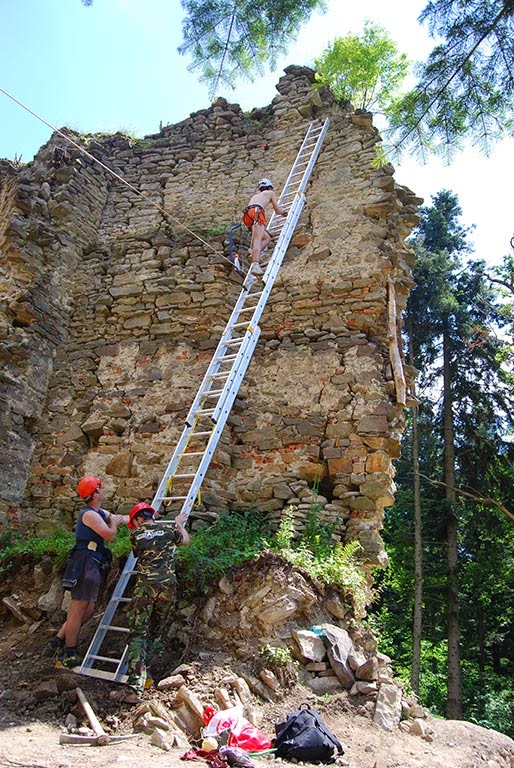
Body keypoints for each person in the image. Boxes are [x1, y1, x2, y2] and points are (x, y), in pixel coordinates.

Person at [43, 476, 129, 668]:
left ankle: (56, 642)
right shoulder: (90, 515)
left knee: (88, 610)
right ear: (95, 493)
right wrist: (114, 523)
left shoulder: (98, 512)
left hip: (93, 561)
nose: (103, 490)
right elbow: (110, 535)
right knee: (78, 609)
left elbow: (120, 518)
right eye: (100, 488)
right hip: (85, 562)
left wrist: (142, 517)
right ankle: (70, 652)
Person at [117, 503, 190, 704]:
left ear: (138, 519)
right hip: (168, 587)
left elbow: (138, 553)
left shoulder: (135, 534)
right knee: (156, 630)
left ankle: (134, 688)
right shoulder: (168, 529)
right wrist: (178, 524)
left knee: (138, 634)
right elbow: (185, 541)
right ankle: (146, 672)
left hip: (145, 589)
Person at [242, 178, 287, 275]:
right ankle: (255, 264)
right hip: (257, 212)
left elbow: (252, 212)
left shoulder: (255, 196)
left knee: (266, 237)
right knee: (257, 240)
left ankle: (254, 253)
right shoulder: (270, 193)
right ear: (270, 187)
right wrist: (283, 213)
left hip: (247, 215)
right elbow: (277, 210)